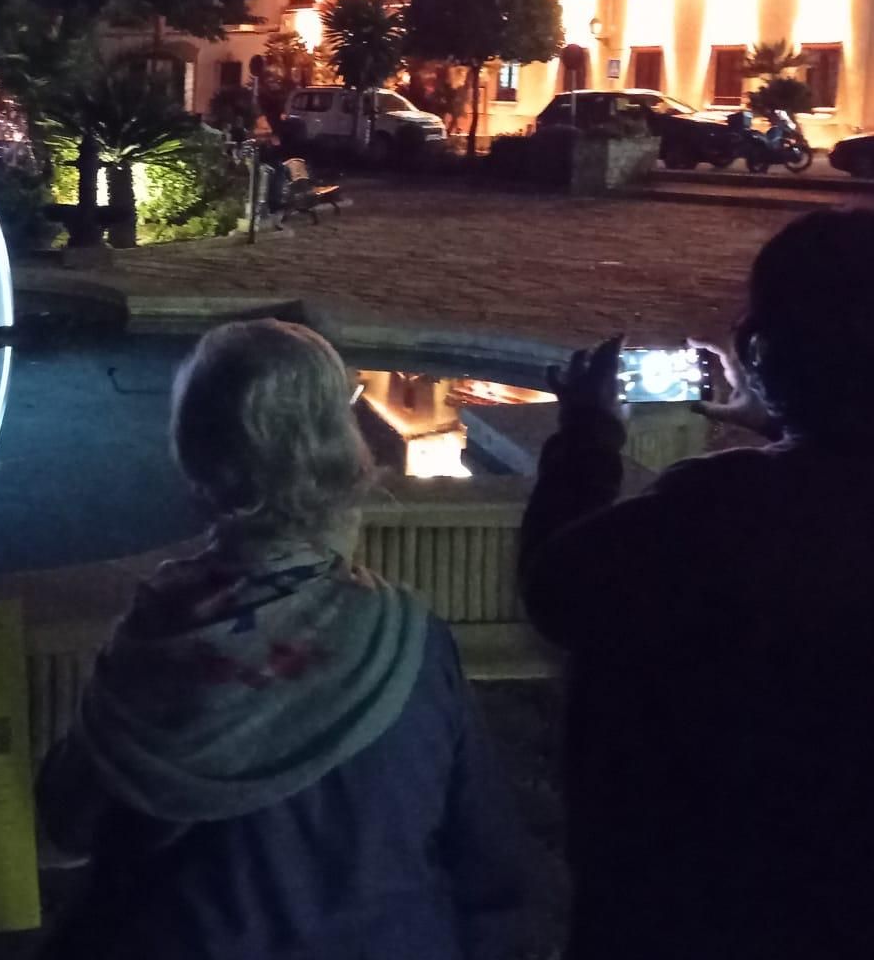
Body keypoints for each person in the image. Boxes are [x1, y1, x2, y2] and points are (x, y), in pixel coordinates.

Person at [523, 209, 874, 960]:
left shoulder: (716, 505)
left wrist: (587, 441)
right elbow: (862, 485)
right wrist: (784, 425)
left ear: (766, 348)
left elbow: (555, 589)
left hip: (697, 883)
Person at [36, 319, 523, 960]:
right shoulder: (408, 641)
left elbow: (63, 826)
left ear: (197, 448)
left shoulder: (156, 643)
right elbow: (488, 858)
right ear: (338, 446)